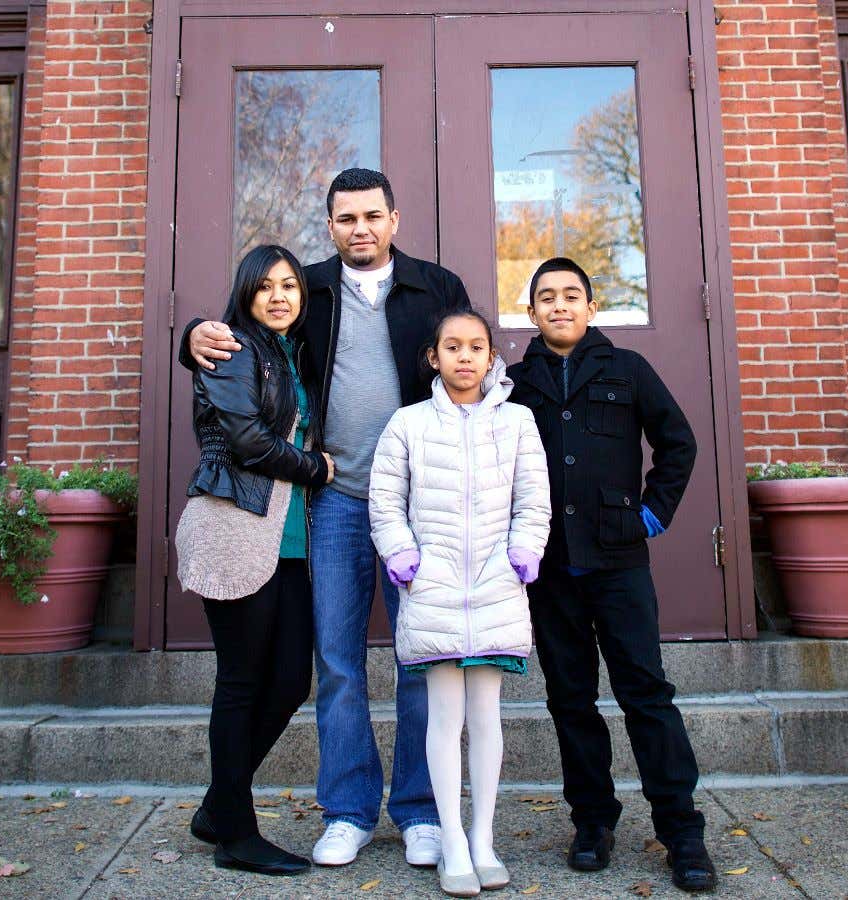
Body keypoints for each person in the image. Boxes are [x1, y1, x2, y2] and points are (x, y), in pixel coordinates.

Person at [185, 169, 471, 867]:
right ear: (331, 225)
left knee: (420, 660)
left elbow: (473, 356)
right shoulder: (306, 286)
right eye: (346, 218)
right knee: (337, 661)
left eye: (372, 215)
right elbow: (245, 331)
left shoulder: (438, 288)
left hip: (418, 503)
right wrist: (192, 332)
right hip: (335, 502)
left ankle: (420, 812)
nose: (360, 228)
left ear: (395, 219)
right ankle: (347, 810)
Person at [507, 257, 718, 892]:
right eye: (546, 297)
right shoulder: (516, 383)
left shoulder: (626, 369)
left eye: (572, 295)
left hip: (619, 562)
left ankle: (681, 830)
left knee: (646, 694)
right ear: (533, 312)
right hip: (550, 570)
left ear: (591, 308)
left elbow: (678, 441)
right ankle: (593, 823)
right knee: (570, 699)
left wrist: (652, 514)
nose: (560, 306)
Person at [368, 311, 550, 897]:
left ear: (491, 355)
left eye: (476, 347)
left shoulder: (518, 422)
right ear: (434, 357)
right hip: (436, 588)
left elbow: (534, 497)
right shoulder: (408, 425)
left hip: (496, 586)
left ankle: (483, 838)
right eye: (452, 347)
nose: (464, 357)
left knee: (487, 717)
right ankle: (450, 841)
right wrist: (401, 553)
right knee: (443, 718)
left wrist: (525, 548)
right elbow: (386, 500)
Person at [173, 245, 335, 876]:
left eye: (289, 285)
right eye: (264, 286)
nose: (278, 296)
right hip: (235, 528)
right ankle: (237, 834)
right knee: (241, 682)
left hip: (286, 539)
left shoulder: (291, 355)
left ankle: (218, 806)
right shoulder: (233, 348)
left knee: (291, 678)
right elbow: (245, 440)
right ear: (244, 294)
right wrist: (315, 468)